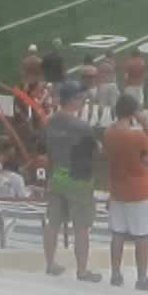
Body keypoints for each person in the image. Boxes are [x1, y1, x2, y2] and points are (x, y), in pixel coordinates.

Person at [42, 82, 103, 281]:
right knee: (81, 227)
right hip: (78, 180)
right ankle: (82, 270)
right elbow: (94, 153)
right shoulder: (82, 126)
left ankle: (50, 264)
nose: (84, 101)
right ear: (74, 100)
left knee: (53, 223)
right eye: (81, 98)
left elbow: (47, 148)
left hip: (57, 175)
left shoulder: (50, 121)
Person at [102, 94, 148, 291]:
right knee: (142, 237)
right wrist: (145, 124)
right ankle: (142, 278)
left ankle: (116, 274)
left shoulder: (108, 132)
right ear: (133, 112)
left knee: (117, 234)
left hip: (117, 189)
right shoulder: (137, 135)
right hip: (138, 190)